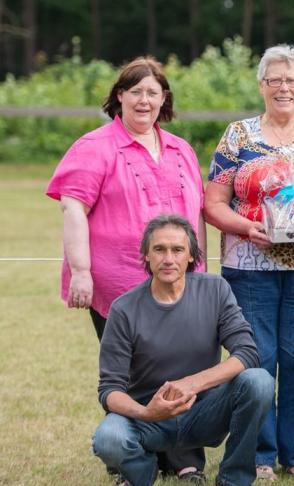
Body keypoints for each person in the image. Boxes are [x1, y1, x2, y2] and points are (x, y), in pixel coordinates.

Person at [45, 56, 207, 480]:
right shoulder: (95, 146)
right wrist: (81, 271)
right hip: (119, 286)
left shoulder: (181, 149)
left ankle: (184, 456)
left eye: (153, 92)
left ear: (163, 99)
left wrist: (201, 272)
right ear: (119, 96)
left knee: (184, 366)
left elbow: (197, 215)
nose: (144, 100)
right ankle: (134, 456)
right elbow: (73, 207)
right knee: (133, 372)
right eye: (135, 91)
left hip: (180, 283)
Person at [204, 44, 294, 482]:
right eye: (275, 80)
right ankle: (260, 453)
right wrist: (248, 229)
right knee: (258, 357)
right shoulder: (238, 135)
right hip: (250, 264)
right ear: (262, 85)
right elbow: (214, 202)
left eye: (292, 80)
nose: (283, 87)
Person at [91, 214, 273, 486]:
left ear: (191, 256)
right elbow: (109, 390)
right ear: (146, 255)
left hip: (204, 413)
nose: (168, 259)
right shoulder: (123, 309)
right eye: (159, 249)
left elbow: (246, 353)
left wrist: (192, 384)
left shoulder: (215, 289)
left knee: (259, 381)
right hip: (148, 416)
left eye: (177, 250)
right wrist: (147, 414)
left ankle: (234, 479)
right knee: (108, 439)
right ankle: (141, 473)